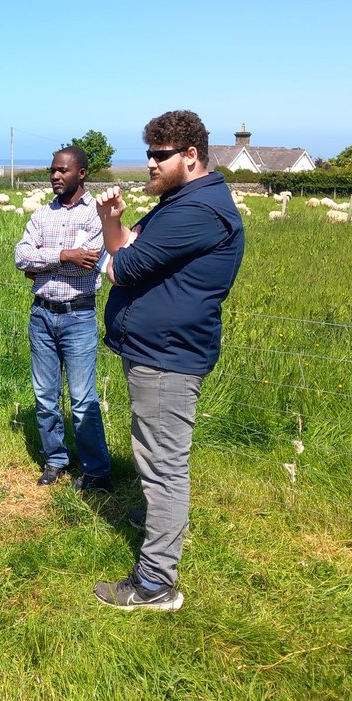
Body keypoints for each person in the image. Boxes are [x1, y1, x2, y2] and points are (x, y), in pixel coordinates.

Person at [92, 110, 245, 611]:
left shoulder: (198, 211)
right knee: (154, 456)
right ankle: (160, 522)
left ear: (191, 155)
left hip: (168, 356)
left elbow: (120, 266)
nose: (150, 164)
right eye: (149, 154)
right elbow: (123, 247)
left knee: (164, 466)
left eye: (160, 155)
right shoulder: (176, 202)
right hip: (153, 351)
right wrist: (112, 224)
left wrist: (116, 247)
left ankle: (155, 582)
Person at [14, 147, 112, 491]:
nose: (55, 176)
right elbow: (21, 256)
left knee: (82, 398)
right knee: (45, 396)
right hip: (41, 314)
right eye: (52, 170)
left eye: (62, 171)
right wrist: (65, 255)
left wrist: (44, 263)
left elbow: (90, 262)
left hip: (78, 316)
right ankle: (55, 458)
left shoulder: (97, 215)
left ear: (81, 173)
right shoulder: (43, 214)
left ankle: (97, 470)